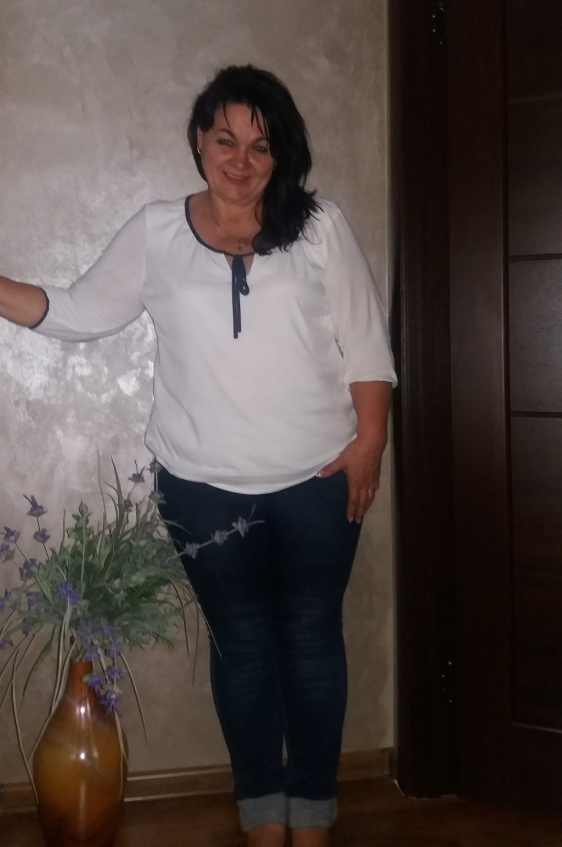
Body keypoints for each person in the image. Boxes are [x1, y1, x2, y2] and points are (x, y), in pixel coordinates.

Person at [0, 65, 396, 847]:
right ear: (198, 140)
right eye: (226, 140)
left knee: (313, 639)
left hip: (320, 480)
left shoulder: (319, 226)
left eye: (261, 145)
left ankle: (313, 811)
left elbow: (366, 342)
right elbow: (80, 312)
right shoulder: (157, 231)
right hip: (203, 489)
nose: (241, 160)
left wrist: (371, 442)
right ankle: (263, 813)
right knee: (241, 646)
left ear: (280, 154)